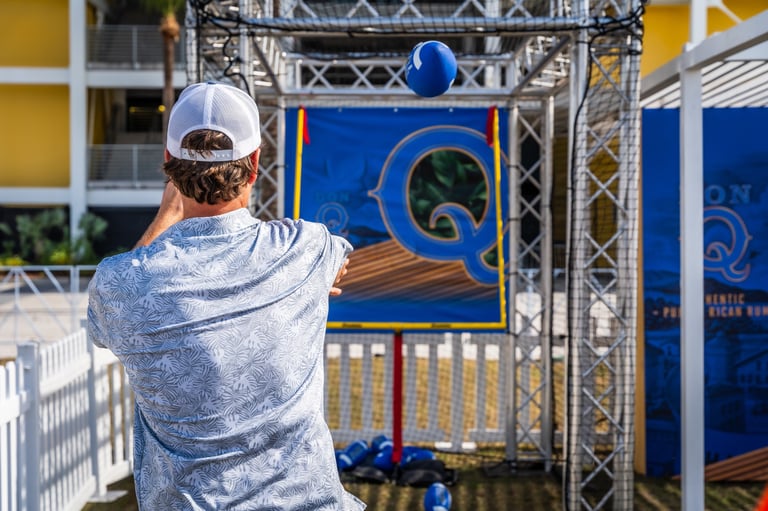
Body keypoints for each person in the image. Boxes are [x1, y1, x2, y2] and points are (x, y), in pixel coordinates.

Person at [87, 81, 364, 511]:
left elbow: (104, 329)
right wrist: (311, 282)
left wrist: (166, 215)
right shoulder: (306, 249)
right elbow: (339, 258)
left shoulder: (119, 283)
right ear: (254, 165)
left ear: (169, 164)